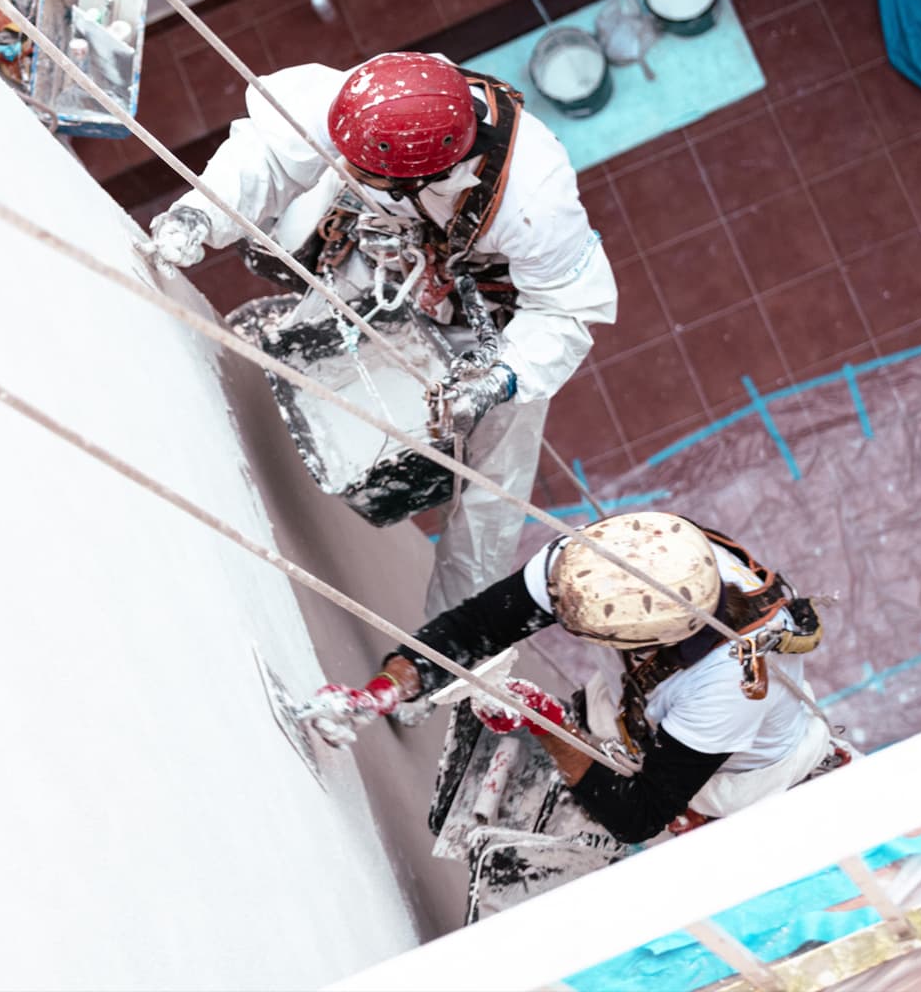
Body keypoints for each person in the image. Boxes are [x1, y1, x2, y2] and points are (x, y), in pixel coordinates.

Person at [148, 52, 617, 615]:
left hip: (490, 321)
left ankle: (449, 645)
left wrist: (499, 380)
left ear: (424, 174)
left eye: (366, 171)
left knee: (494, 483)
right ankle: (307, 334)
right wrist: (201, 214)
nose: (349, 165)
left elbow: (565, 311)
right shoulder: (377, 104)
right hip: (384, 252)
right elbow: (272, 153)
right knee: (305, 225)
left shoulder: (533, 199)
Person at [308, 512, 845, 841]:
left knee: (568, 847)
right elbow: (483, 623)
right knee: (505, 781)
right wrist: (386, 687)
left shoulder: (730, 685)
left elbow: (641, 814)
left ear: (644, 641)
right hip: (638, 707)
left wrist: (548, 725)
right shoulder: (611, 555)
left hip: (736, 779)